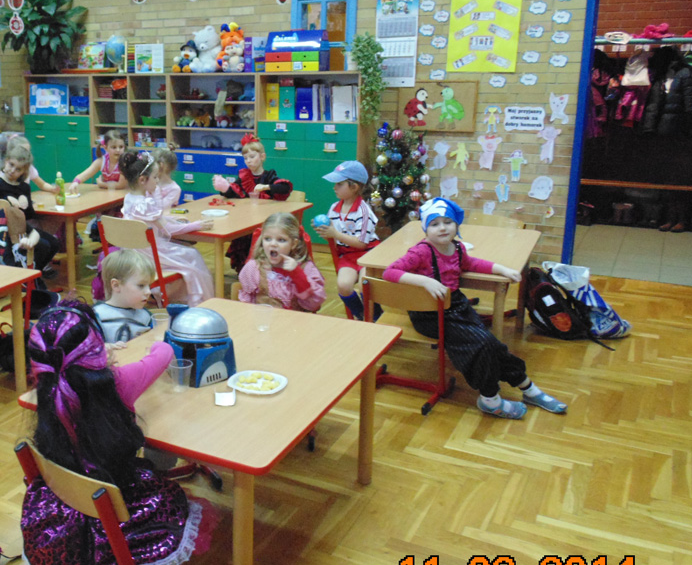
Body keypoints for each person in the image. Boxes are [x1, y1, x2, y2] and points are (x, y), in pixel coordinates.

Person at [20, 303, 210, 565]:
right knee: (175, 495)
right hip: (119, 509)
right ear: (96, 351)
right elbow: (162, 354)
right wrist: (156, 340)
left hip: (60, 514)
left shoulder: (47, 390)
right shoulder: (117, 382)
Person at [382, 198, 568, 419]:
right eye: (434, 224)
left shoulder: (457, 248)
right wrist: (425, 281)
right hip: (430, 315)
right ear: (425, 229)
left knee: (492, 345)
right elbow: (390, 272)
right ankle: (491, 399)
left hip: (457, 306)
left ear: (456, 225)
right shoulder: (421, 252)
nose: (442, 228)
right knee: (482, 344)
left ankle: (527, 388)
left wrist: (501, 269)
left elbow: (472, 264)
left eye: (448, 222)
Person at [119, 150, 214, 306]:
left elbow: (155, 221)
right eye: (155, 177)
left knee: (187, 253)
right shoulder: (145, 203)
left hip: (132, 254)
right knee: (193, 256)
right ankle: (201, 303)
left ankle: (178, 297)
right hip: (150, 257)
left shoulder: (129, 198)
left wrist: (174, 220)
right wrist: (196, 225)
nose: (157, 181)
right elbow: (167, 229)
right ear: (142, 180)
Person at [212, 134, 294, 272]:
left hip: (265, 223)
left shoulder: (269, 175)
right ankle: (246, 273)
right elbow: (234, 192)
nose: (248, 161)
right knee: (242, 240)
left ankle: (262, 271)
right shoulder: (244, 176)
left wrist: (266, 187)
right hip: (247, 221)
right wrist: (224, 187)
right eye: (245, 158)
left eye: (252, 157)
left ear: (262, 157)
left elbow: (285, 188)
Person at [315, 160, 380, 320]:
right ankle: (361, 315)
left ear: (354, 187)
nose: (334, 187)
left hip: (368, 254)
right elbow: (333, 234)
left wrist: (335, 234)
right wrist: (324, 231)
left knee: (365, 285)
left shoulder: (364, 211)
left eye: (339, 184)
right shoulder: (334, 208)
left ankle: (375, 316)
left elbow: (361, 243)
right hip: (348, 255)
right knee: (343, 286)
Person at [0, 143, 60, 275]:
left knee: (54, 243)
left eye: (18, 169)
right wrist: (9, 202)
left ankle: (34, 271)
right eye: (11, 165)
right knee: (44, 245)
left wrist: (25, 204)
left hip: (24, 228)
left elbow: (28, 215)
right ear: (6, 161)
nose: (13, 170)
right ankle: (27, 273)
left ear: (24, 172)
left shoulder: (24, 187)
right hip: (7, 231)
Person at [238, 212, 325, 312]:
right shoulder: (254, 267)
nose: (273, 244)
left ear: (293, 243)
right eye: (267, 239)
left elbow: (313, 304)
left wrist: (297, 274)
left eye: (281, 240)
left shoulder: (306, 268)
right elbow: (246, 303)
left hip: (295, 320)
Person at [94, 250, 156, 347]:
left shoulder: (146, 317)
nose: (148, 292)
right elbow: (84, 349)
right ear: (116, 285)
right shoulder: (96, 315)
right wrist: (103, 348)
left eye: (149, 286)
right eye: (141, 285)